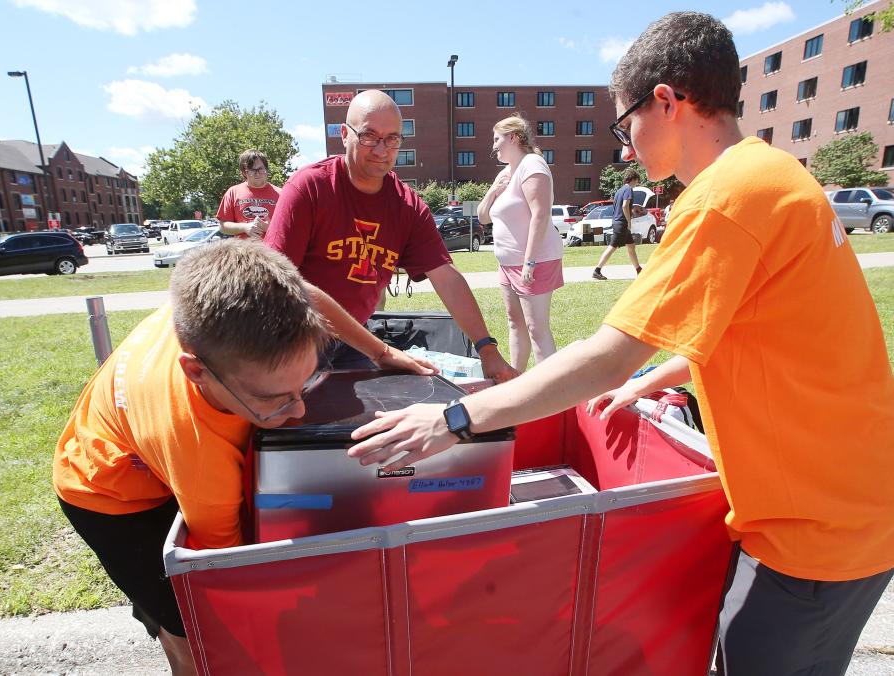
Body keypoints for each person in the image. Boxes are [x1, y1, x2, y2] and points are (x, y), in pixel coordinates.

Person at [346, 12, 894, 676]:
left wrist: (454, 418)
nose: (626, 147)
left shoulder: (726, 198)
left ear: (665, 100)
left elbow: (607, 352)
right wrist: (653, 379)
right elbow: (762, 332)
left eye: (623, 123)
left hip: (815, 530)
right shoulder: (772, 173)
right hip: (846, 507)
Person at [53, 239, 329, 675]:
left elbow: (309, 295)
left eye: (305, 383)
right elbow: (226, 576)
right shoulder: (201, 457)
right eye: (274, 399)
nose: (299, 410)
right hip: (106, 495)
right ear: (196, 370)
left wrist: (380, 350)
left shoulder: (217, 308)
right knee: (195, 632)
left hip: (155, 455)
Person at [264, 89, 517, 381]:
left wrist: (487, 350)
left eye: (392, 139)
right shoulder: (310, 187)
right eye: (369, 136)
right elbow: (280, 283)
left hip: (352, 342)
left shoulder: (407, 206)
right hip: (291, 339)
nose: (381, 150)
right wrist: (380, 352)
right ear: (345, 134)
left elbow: (447, 278)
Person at [477, 116, 564, 370]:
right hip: (508, 264)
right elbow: (483, 216)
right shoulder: (505, 173)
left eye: (497, 139)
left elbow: (540, 214)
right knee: (515, 324)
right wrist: (494, 191)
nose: (494, 146)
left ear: (513, 137)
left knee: (537, 329)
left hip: (533, 261)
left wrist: (529, 262)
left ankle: (548, 392)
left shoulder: (532, 165)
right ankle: (516, 381)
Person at [217, 149, 281, 239]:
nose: (257, 174)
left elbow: (290, 225)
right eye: (252, 170)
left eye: (260, 169)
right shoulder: (233, 192)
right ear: (244, 172)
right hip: (243, 251)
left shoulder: (281, 194)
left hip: (272, 251)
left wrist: (270, 228)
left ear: (266, 169)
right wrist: (244, 227)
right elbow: (222, 226)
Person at [592, 168, 642, 280]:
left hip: (617, 221)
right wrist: (629, 221)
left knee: (631, 245)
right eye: (637, 181)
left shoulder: (619, 190)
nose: (637, 184)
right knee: (612, 247)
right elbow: (625, 206)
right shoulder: (629, 189)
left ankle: (639, 269)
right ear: (633, 179)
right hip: (622, 223)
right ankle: (597, 270)